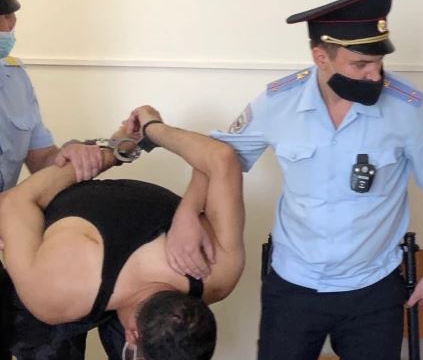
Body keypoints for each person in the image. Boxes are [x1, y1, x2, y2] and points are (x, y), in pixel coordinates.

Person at [210, 0, 423, 360]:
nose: (374, 75)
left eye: (378, 62)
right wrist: (187, 216)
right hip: (294, 284)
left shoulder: (407, 107)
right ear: (320, 57)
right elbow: (219, 158)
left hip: (373, 288)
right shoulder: (278, 102)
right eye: (360, 64)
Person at [0, 105, 245, 359]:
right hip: (76, 258)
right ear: (132, 336)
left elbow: (221, 158)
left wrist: (189, 207)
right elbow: (15, 202)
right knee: (41, 342)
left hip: (108, 263)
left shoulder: (219, 272)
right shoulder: (53, 290)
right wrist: (119, 150)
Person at [0, 0, 109, 358]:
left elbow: (41, 158)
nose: (10, 24)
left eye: (11, 13)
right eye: (1, 16)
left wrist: (71, 152)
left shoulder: (15, 77)